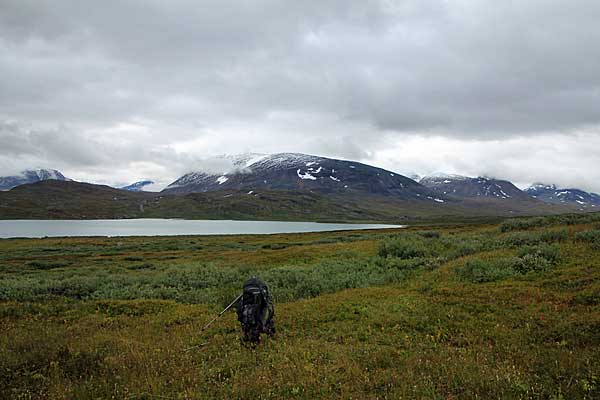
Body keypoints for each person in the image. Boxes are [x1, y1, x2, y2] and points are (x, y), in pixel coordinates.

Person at [236, 277, 275, 344]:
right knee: (257, 321)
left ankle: (250, 337)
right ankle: (259, 334)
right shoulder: (262, 298)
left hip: (249, 319)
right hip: (257, 317)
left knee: (251, 322)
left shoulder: (245, 299)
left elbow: (239, 310)